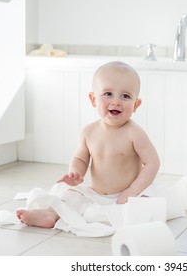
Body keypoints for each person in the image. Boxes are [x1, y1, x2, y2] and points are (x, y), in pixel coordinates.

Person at [16, 61, 160, 229]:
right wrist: (76, 173)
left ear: (136, 105)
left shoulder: (134, 133)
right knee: (70, 195)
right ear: (93, 99)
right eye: (108, 93)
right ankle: (50, 214)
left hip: (127, 193)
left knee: (145, 203)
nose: (116, 101)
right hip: (96, 193)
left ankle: (130, 205)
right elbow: (80, 158)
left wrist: (133, 190)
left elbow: (152, 162)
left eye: (125, 96)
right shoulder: (89, 131)